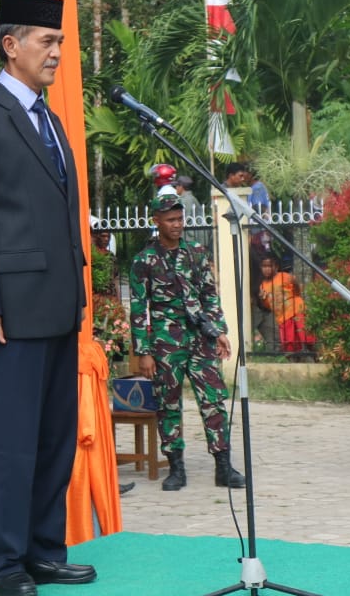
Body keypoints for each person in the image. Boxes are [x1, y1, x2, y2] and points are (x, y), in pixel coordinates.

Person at [0, 0, 94, 596]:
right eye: (46, 42)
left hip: (57, 306)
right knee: (9, 444)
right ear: (12, 45)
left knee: (54, 437)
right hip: (6, 311)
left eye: (59, 43)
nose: (57, 53)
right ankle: (2, 566)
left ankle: (43, 552)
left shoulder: (52, 121)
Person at [129, 193, 246, 492]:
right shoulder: (144, 260)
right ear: (156, 221)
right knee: (168, 404)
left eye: (180, 219)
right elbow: (139, 308)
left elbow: (210, 295)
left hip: (200, 340)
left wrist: (218, 330)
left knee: (214, 402)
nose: (177, 225)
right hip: (166, 343)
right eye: (170, 220)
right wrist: (144, 351)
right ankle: (176, 468)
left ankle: (223, 466)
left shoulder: (196, 252)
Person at [256, 252, 315, 359]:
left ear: (276, 266)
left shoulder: (284, 276)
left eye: (269, 266)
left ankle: (314, 355)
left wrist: (295, 299)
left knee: (305, 336)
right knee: (289, 343)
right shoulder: (263, 285)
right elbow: (269, 305)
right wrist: (262, 298)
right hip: (282, 317)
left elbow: (296, 287)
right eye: (264, 266)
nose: (267, 269)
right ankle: (296, 361)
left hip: (297, 310)